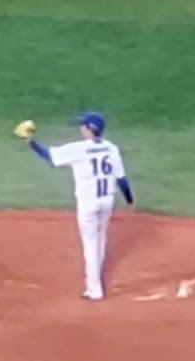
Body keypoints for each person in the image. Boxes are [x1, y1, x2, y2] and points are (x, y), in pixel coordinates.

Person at [23, 111, 134, 300]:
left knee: (90, 244)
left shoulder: (79, 149)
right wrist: (129, 200)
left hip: (88, 204)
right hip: (107, 201)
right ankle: (96, 276)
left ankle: (94, 289)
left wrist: (31, 142)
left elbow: (50, 156)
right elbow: (121, 178)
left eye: (83, 125)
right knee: (100, 239)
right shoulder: (111, 148)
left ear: (90, 129)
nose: (81, 127)